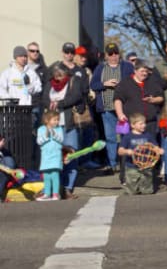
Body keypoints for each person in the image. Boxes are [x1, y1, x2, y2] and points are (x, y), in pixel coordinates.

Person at [42, 65, 85, 199]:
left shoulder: (74, 81)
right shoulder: (50, 84)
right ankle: (55, 188)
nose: (59, 79)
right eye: (56, 76)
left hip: (68, 124)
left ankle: (68, 189)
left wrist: (59, 104)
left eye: (61, 76)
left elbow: (76, 96)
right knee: (54, 158)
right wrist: (49, 104)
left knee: (71, 156)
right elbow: (44, 98)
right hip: (53, 127)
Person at [91, 43, 135, 172]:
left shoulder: (127, 66)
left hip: (123, 108)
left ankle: (126, 163)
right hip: (107, 108)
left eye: (116, 53)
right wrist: (105, 84)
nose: (114, 56)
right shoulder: (100, 68)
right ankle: (112, 163)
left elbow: (133, 81)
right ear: (106, 56)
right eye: (110, 54)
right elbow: (93, 85)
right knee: (110, 137)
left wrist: (123, 85)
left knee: (125, 136)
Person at [113, 59, 165, 140]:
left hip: (150, 123)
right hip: (133, 124)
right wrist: (120, 114)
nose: (144, 73)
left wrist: (153, 100)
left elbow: (161, 97)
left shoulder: (152, 81)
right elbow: (117, 99)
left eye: (146, 71)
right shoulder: (125, 83)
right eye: (142, 71)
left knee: (150, 148)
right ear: (135, 70)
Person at [118, 113, 163, 195]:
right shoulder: (128, 137)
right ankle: (131, 185)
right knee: (132, 192)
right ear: (132, 125)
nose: (144, 125)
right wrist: (127, 151)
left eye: (144, 123)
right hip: (132, 167)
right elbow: (120, 151)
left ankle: (144, 185)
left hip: (146, 166)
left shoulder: (148, 135)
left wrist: (159, 150)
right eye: (141, 124)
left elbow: (155, 146)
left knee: (147, 191)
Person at [36, 110, 63, 201]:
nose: (57, 122)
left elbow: (61, 140)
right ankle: (47, 193)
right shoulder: (41, 129)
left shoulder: (59, 129)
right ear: (47, 120)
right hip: (46, 156)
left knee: (55, 174)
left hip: (56, 155)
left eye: (58, 120)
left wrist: (54, 134)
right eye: (54, 120)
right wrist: (46, 136)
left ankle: (55, 194)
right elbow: (39, 141)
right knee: (46, 175)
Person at [0, 134, 18, 202]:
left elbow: (13, 165)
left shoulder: (6, 152)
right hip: (4, 172)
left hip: (6, 172)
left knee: (9, 160)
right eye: (1, 140)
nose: (3, 142)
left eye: (3, 140)